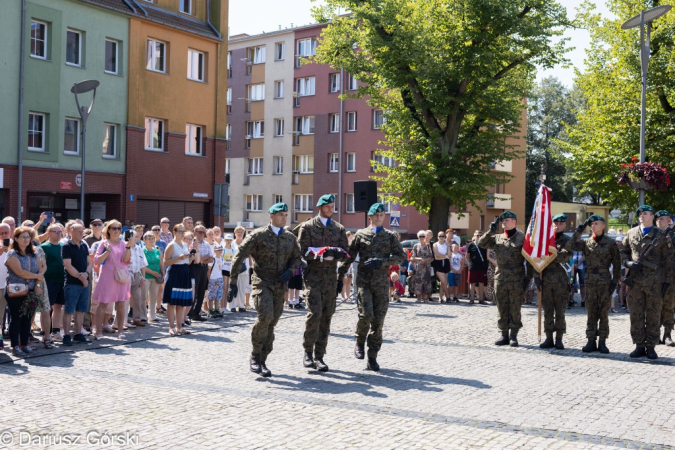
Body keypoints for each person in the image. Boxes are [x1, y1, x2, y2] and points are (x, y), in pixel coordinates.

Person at [227, 203, 302, 377]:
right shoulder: (258, 235)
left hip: (280, 284)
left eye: (285, 214)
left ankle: (263, 359)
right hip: (262, 282)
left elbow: (297, 258)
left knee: (272, 323)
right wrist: (232, 282)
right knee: (265, 317)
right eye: (280, 215)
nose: (284, 218)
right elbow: (239, 256)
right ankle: (255, 354)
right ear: (271, 216)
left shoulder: (290, 238)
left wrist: (290, 271)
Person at [337, 203, 405, 371]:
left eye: (382, 215)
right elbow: (349, 256)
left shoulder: (389, 236)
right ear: (370, 217)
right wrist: (340, 277)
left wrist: (382, 262)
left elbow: (401, 256)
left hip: (381, 283)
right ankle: (360, 341)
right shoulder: (360, 235)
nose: (380, 218)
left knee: (378, 322)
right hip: (364, 282)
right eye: (376, 215)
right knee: (365, 315)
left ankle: (372, 357)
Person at [296, 194, 349, 372]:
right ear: (319, 207)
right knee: (315, 313)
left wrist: (334, 253)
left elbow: (345, 251)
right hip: (313, 276)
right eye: (327, 207)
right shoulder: (308, 227)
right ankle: (308, 352)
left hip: (330, 279)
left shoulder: (339, 228)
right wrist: (317, 254)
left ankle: (320, 356)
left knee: (327, 316)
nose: (331, 209)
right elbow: (301, 251)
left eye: (333, 206)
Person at [621, 205, 673, 359]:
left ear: (652, 217)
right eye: (640, 214)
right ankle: (639, 345)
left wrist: (667, 282)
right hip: (635, 282)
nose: (641, 216)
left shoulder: (662, 235)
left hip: (655, 283)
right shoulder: (631, 233)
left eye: (645, 214)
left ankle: (651, 346)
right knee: (636, 314)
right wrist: (628, 263)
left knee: (653, 314)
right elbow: (623, 251)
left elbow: (669, 259)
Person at [566, 214, 620, 354]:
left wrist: (614, 283)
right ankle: (591, 340)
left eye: (596, 223)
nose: (594, 226)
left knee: (603, 313)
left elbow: (617, 264)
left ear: (603, 225)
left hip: (604, 281)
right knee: (591, 312)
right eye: (592, 224)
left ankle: (602, 341)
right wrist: (579, 230)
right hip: (590, 281)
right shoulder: (586, 242)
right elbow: (570, 245)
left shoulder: (610, 243)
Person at [478, 211, 534, 347]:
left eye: (507, 220)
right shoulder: (497, 237)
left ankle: (514, 335)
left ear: (514, 222)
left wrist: (529, 278)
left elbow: (530, 259)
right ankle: (504, 334)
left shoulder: (523, 238)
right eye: (502, 221)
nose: (504, 222)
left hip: (516, 277)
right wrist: (490, 231)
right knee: (501, 306)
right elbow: (481, 243)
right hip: (501, 276)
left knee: (515, 306)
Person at [4, 226, 44, 355]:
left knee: (27, 319)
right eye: (23, 237)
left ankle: (24, 344)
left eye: (28, 237)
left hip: (31, 290)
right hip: (15, 290)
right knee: (16, 318)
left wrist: (38, 284)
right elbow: (20, 272)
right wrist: (37, 276)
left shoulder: (33, 253)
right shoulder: (12, 254)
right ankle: (15, 346)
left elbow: (41, 269)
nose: (26, 240)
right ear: (16, 239)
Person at [92, 220, 132, 340]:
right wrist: (107, 251)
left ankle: (120, 331)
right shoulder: (104, 243)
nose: (116, 230)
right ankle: (98, 332)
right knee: (103, 304)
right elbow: (96, 261)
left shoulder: (124, 243)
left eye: (118, 228)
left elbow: (126, 261)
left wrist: (129, 248)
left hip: (121, 277)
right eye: (114, 228)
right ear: (108, 230)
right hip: (107, 277)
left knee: (120, 304)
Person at [536, 214, 572, 350]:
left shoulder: (568, 240)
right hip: (545, 280)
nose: (557, 225)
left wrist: (551, 252)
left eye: (560, 223)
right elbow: (535, 259)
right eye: (555, 223)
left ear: (564, 225)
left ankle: (559, 339)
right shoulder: (544, 240)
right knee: (548, 311)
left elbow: (563, 257)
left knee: (560, 311)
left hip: (561, 281)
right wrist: (536, 277)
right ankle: (548, 338)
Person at [61, 223, 92, 345]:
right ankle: (67, 335)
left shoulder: (84, 245)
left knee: (81, 309)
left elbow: (89, 263)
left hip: (84, 282)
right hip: (72, 283)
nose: (81, 234)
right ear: (71, 231)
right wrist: (82, 278)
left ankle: (78, 334)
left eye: (82, 231)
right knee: (69, 310)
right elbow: (68, 266)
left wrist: (86, 274)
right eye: (79, 231)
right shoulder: (67, 246)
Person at [162, 223, 196, 335]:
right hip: (174, 273)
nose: (182, 233)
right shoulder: (171, 245)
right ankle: (171, 327)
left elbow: (187, 262)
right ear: (175, 232)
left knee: (181, 303)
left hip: (184, 272)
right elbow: (165, 262)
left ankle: (179, 327)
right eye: (180, 231)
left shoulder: (185, 245)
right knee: (172, 302)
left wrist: (191, 258)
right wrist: (178, 258)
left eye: (183, 231)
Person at [41, 223, 65, 340]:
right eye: (56, 232)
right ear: (49, 233)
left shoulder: (63, 245)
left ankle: (56, 330)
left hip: (61, 279)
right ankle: (45, 331)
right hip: (48, 280)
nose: (59, 234)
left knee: (58, 306)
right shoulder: (44, 247)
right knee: (47, 307)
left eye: (60, 232)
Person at [654, 210, 675, 346]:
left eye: (663, 219)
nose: (660, 221)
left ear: (669, 221)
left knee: (669, 306)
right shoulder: (651, 235)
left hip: (671, 277)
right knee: (653, 306)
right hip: (653, 276)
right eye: (658, 219)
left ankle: (667, 334)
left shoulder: (673, 235)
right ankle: (654, 334)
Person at [188, 225, 214, 322]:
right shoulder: (192, 243)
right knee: (194, 292)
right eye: (199, 232)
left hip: (204, 269)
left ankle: (197, 313)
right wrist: (204, 258)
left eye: (203, 232)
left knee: (202, 291)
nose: (202, 234)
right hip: (194, 269)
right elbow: (195, 260)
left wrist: (201, 259)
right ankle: (189, 313)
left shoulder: (206, 244)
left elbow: (211, 258)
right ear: (195, 232)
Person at [142, 231, 164, 323]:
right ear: (145, 240)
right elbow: (142, 265)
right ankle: (143, 316)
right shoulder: (143, 250)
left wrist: (163, 273)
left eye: (152, 238)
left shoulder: (156, 250)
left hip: (156, 277)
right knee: (143, 297)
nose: (151, 240)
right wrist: (152, 272)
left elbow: (160, 262)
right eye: (149, 238)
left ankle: (152, 315)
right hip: (146, 276)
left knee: (153, 296)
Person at [409, 230, 433, 302]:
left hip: (426, 266)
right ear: (418, 237)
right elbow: (413, 257)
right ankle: (419, 297)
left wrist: (425, 260)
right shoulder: (416, 246)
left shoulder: (428, 246)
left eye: (423, 236)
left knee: (426, 281)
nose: (421, 238)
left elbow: (431, 257)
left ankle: (425, 297)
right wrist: (420, 259)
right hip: (418, 266)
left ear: (425, 237)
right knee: (418, 281)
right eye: (420, 236)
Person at [230, 226, 250, 312]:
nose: (240, 233)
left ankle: (241, 305)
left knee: (242, 288)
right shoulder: (231, 243)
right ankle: (232, 306)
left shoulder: (246, 243)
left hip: (244, 268)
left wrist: (251, 266)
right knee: (233, 287)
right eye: (238, 232)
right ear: (235, 233)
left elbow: (250, 255)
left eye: (241, 232)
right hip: (234, 268)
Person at [465, 230, 489, 304]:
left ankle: (481, 299)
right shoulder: (471, 245)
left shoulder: (484, 245)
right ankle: (472, 299)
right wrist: (470, 263)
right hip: (473, 267)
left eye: (480, 235)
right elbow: (467, 255)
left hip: (482, 267)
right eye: (477, 235)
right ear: (474, 236)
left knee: (482, 283)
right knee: (472, 283)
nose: (478, 236)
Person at [431, 231, 450, 302]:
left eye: (443, 236)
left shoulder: (446, 245)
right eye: (440, 236)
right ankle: (447, 296)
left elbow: (449, 255)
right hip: (438, 263)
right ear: (437, 237)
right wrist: (445, 256)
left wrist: (448, 248)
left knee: (443, 282)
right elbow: (437, 255)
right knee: (443, 280)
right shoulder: (435, 245)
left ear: (445, 237)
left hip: (446, 263)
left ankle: (440, 297)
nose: (441, 237)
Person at [207, 245, 225, 318]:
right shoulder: (213, 259)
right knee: (212, 295)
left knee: (218, 295)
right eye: (218, 250)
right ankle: (210, 310)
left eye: (221, 250)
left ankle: (217, 309)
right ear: (214, 251)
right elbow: (208, 270)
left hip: (219, 278)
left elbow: (221, 269)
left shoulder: (221, 258)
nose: (220, 251)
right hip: (213, 279)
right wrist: (209, 279)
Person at [0, 223, 11, 340]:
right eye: (1, 233)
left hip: (12, 285)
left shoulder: (15, 245)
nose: (3, 236)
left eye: (5, 233)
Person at [220, 234, 234, 315]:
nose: (228, 241)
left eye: (230, 240)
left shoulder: (232, 250)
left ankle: (225, 307)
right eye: (227, 240)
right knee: (224, 289)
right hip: (223, 270)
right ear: (224, 240)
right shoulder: (223, 249)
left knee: (227, 289)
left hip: (230, 270)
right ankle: (222, 307)